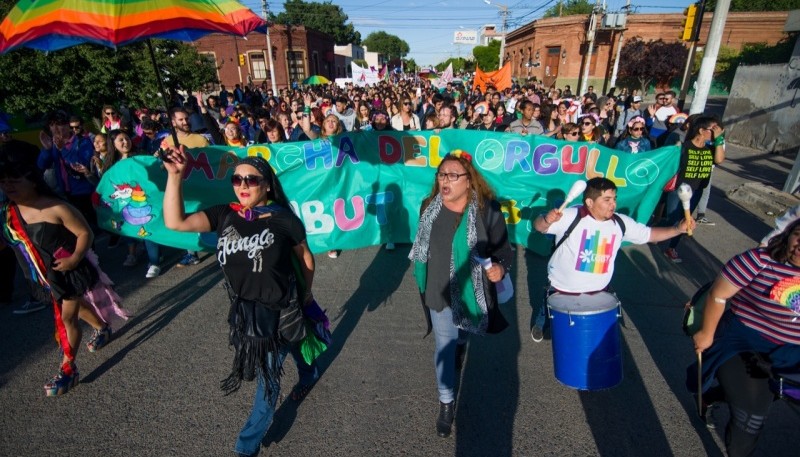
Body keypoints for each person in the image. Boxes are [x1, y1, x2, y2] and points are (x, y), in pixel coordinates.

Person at [161, 151, 317, 457]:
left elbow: (306, 258)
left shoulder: (285, 219)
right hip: (247, 313)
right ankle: (309, 372)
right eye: (237, 179)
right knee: (297, 345)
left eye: (251, 179)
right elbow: (175, 222)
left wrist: (306, 295)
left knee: (268, 378)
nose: (242, 185)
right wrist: (174, 175)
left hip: (282, 309)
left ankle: (246, 446)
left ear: (267, 185)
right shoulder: (225, 215)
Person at [0, 146, 127, 396]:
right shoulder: (6, 212)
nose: (8, 186)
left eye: (14, 180)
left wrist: (74, 259)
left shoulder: (56, 207)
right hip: (39, 276)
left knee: (66, 319)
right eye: (2, 182)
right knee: (77, 309)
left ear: (33, 180)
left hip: (67, 271)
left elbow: (85, 233)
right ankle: (102, 327)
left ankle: (68, 368)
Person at [408, 149, 513, 438]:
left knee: (461, 334)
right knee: (444, 343)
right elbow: (422, 246)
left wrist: (500, 269)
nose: (446, 180)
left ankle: (462, 341)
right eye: (442, 174)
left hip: (471, 290)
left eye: (454, 175)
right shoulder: (428, 206)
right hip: (437, 289)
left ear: (469, 181)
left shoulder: (487, 210)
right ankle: (446, 402)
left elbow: (504, 251)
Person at [530, 177, 696, 341]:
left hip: (598, 293)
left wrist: (677, 229)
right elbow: (539, 227)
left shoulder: (620, 223)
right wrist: (545, 219)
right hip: (561, 289)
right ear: (589, 202)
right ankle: (545, 312)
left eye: (614, 199)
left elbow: (650, 235)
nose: (613, 204)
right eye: (607, 199)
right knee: (559, 334)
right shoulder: (570, 215)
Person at [689, 219, 800, 456]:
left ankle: (714, 396)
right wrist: (707, 333)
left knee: (773, 392)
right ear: (789, 235)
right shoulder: (760, 260)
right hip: (743, 342)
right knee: (751, 414)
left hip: (790, 355)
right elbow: (718, 294)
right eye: (798, 235)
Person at [663, 116, 725, 263]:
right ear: (701, 131)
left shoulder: (711, 149)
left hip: (697, 191)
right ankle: (655, 231)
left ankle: (671, 248)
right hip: (678, 190)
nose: (716, 133)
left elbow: (719, 160)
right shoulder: (684, 147)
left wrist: (719, 140)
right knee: (672, 218)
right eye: (713, 130)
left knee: (686, 219)